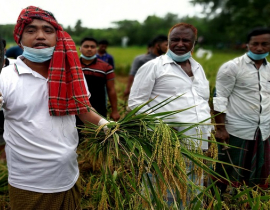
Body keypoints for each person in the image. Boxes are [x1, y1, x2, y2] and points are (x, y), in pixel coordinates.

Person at [0, 6, 108, 210]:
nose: (40, 36)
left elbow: (83, 109)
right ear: (19, 38)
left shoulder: (71, 74)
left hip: (69, 175)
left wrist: (109, 127)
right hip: (30, 182)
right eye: (31, 30)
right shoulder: (3, 78)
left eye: (48, 30)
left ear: (57, 36)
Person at [128, 23, 211, 203]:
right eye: (175, 40)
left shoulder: (198, 69)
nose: (179, 44)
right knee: (160, 187)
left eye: (185, 40)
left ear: (193, 43)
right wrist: (161, 128)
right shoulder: (154, 67)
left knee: (190, 186)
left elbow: (202, 101)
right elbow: (135, 103)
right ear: (168, 41)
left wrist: (207, 131)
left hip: (196, 143)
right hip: (164, 141)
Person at [213, 28, 270, 191]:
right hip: (237, 131)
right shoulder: (232, 67)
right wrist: (220, 129)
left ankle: (248, 202)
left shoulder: (269, 69)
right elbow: (219, 98)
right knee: (228, 172)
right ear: (247, 45)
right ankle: (220, 202)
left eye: (264, 44)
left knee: (257, 174)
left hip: (263, 131)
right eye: (255, 44)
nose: (259, 48)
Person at [79, 37, 120, 121]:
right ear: (80, 49)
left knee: (99, 131)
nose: (89, 49)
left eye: (92, 47)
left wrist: (114, 111)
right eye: (86, 46)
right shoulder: (72, 65)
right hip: (76, 108)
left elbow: (111, 89)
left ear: (96, 49)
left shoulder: (106, 67)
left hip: (98, 107)